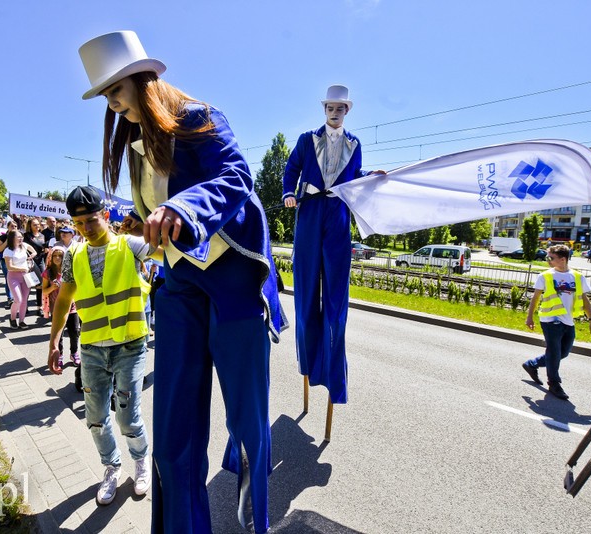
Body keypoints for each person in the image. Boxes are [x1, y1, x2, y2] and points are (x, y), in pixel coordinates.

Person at [78, 30, 285, 533]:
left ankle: (253, 524)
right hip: (179, 288)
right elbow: (156, 207)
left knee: (248, 426)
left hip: (233, 278)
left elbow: (236, 177)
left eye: (115, 91)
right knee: (173, 439)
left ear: (141, 79)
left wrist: (181, 208)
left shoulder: (198, 116)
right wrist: (138, 219)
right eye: (106, 96)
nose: (113, 104)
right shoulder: (134, 147)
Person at [47, 186, 155, 506]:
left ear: (105, 216)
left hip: (129, 345)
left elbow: (168, 251)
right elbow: (64, 299)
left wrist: (146, 228)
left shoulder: (130, 244)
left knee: (127, 416)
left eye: (91, 220)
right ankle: (111, 467)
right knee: (95, 417)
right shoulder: (73, 255)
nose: (85, 229)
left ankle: (141, 461)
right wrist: (54, 342)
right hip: (92, 348)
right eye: (78, 224)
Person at [282, 85, 384, 405]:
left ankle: (333, 370)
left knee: (337, 296)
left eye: (340, 108)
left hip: (338, 213)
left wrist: (370, 175)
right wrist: (288, 191)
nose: (335, 112)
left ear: (347, 111)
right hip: (311, 210)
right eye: (331, 107)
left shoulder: (355, 144)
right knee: (307, 289)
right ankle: (309, 363)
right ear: (324, 109)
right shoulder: (305, 139)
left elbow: (353, 177)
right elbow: (291, 168)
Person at [522, 244, 591, 400]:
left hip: (568, 320)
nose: (548, 261)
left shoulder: (577, 277)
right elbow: (535, 298)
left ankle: (532, 364)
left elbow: (584, 300)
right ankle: (554, 384)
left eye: (551, 258)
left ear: (563, 259)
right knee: (554, 351)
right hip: (550, 319)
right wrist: (529, 317)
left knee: (563, 352)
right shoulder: (545, 276)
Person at [42, 247, 80, 367]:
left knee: (75, 331)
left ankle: (74, 353)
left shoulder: (70, 270)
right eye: (55, 256)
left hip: (72, 306)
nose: (57, 258)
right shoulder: (47, 273)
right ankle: (60, 354)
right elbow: (44, 291)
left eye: (60, 256)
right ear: (51, 258)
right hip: (57, 308)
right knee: (59, 332)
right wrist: (52, 287)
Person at [2, 230, 36, 329]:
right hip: (13, 277)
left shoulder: (24, 246)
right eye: (18, 237)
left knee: (25, 300)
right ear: (12, 238)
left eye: (21, 237)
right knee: (18, 299)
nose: (21, 239)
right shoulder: (8, 250)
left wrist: (31, 256)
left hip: (25, 276)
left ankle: (21, 321)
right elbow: (9, 267)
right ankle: (12, 319)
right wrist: (23, 268)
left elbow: (34, 251)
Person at [24, 218, 47, 315]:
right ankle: (24, 306)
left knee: (40, 285)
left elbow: (44, 247)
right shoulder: (26, 236)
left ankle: (39, 307)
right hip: (30, 262)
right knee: (28, 284)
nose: (37, 226)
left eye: (38, 224)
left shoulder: (42, 235)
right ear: (30, 226)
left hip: (40, 261)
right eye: (34, 224)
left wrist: (46, 250)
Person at [0, 220, 20, 309]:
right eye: (12, 226)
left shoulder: (19, 236)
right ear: (8, 227)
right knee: (9, 279)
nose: (14, 228)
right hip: (6, 261)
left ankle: (18, 299)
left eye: (15, 226)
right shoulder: (3, 237)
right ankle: (10, 298)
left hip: (18, 261)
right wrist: (7, 240)